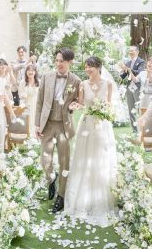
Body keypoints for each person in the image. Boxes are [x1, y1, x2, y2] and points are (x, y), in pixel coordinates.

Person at [64, 56, 117, 226]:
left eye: (90, 67)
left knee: (101, 158)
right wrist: (74, 106)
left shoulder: (108, 84)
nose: (87, 69)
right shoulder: (83, 84)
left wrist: (104, 111)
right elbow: (81, 104)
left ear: (98, 67)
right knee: (84, 158)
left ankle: (101, 198)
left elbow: (109, 105)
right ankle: (83, 199)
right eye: (86, 66)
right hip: (86, 125)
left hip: (102, 125)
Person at [35, 48, 81, 213]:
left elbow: (79, 101)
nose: (59, 63)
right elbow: (39, 102)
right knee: (45, 160)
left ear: (70, 62)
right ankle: (51, 179)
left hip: (64, 125)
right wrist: (37, 124)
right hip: (47, 124)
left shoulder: (76, 81)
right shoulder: (46, 77)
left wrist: (74, 105)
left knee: (64, 162)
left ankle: (61, 196)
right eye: (57, 60)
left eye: (62, 61)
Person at [118, 46, 145, 132]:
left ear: (137, 52)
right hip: (129, 87)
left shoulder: (141, 62)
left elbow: (139, 72)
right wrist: (121, 71)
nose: (130, 52)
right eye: (129, 51)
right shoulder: (128, 62)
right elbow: (123, 76)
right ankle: (134, 130)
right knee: (130, 109)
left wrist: (128, 69)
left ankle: (142, 129)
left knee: (139, 108)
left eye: (132, 51)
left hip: (137, 87)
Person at [19, 64, 40, 136]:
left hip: (37, 104)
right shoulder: (23, 82)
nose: (30, 72)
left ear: (35, 72)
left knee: (36, 121)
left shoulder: (39, 82)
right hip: (27, 104)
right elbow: (21, 95)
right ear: (26, 72)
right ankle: (29, 137)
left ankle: (36, 137)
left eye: (32, 70)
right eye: (29, 70)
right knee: (29, 121)